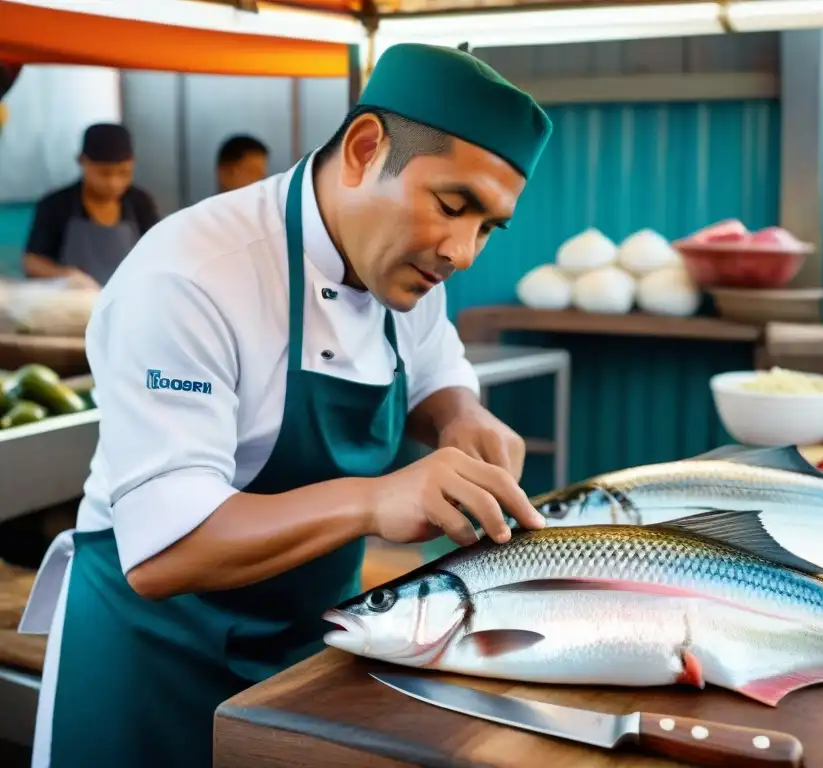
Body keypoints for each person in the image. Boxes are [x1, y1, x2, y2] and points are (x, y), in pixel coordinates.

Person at [22, 43, 553, 768]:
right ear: (366, 149)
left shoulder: (410, 265)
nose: (463, 250)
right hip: (151, 670)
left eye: (488, 227)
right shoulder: (191, 276)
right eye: (453, 206)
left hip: (302, 657)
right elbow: (163, 547)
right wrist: (373, 501)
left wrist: (464, 418)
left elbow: (436, 372)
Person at [22, 122, 160, 289]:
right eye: (103, 173)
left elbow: (159, 253)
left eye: (124, 172)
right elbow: (32, 262)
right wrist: (67, 277)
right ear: (82, 161)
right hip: (74, 304)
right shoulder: (56, 205)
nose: (114, 183)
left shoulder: (140, 202)